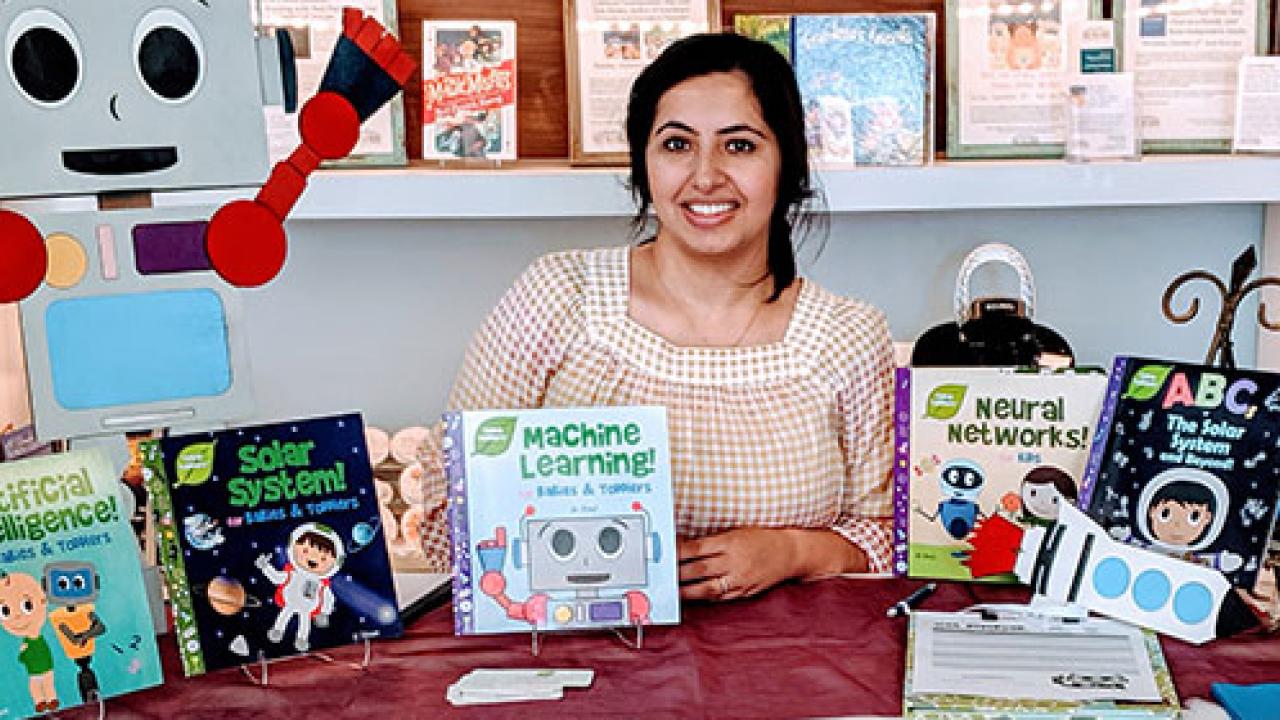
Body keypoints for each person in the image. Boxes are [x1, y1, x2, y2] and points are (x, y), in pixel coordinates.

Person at [423, 32, 894, 601]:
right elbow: (446, 504)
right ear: (643, 164)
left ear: (787, 162)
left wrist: (790, 551)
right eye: (676, 145)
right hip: (583, 661)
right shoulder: (556, 297)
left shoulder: (848, 336)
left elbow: (888, 536)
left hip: (787, 669)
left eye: (739, 146)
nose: (704, 176)